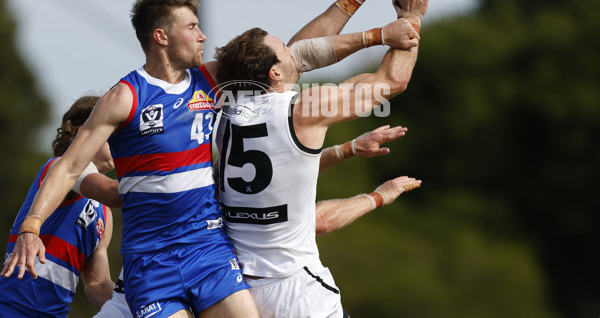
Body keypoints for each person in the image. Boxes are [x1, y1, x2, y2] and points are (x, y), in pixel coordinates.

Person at [1, 0, 403, 318]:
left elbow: (288, 56)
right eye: (191, 27)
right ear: (161, 37)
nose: (203, 35)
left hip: (208, 250)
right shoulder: (126, 96)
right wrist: (31, 227)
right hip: (151, 263)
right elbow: (68, 167)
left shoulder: (209, 82)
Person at [212, 0, 434, 317]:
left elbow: (301, 53)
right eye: (284, 48)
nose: (295, 50)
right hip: (299, 295)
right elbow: (392, 81)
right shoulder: (304, 108)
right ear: (275, 72)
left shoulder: (221, 113)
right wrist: (412, 16)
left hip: (236, 292)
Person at [78, 124, 420, 318]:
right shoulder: (195, 188)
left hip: (141, 298)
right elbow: (315, 216)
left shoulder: (197, 187)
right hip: (279, 293)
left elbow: (285, 178)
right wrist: (376, 196)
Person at [0, 96, 115, 318]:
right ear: (88, 133)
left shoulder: (105, 215)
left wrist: (136, 303)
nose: (123, 143)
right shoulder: (59, 170)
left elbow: (97, 284)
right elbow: (112, 191)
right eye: (114, 134)